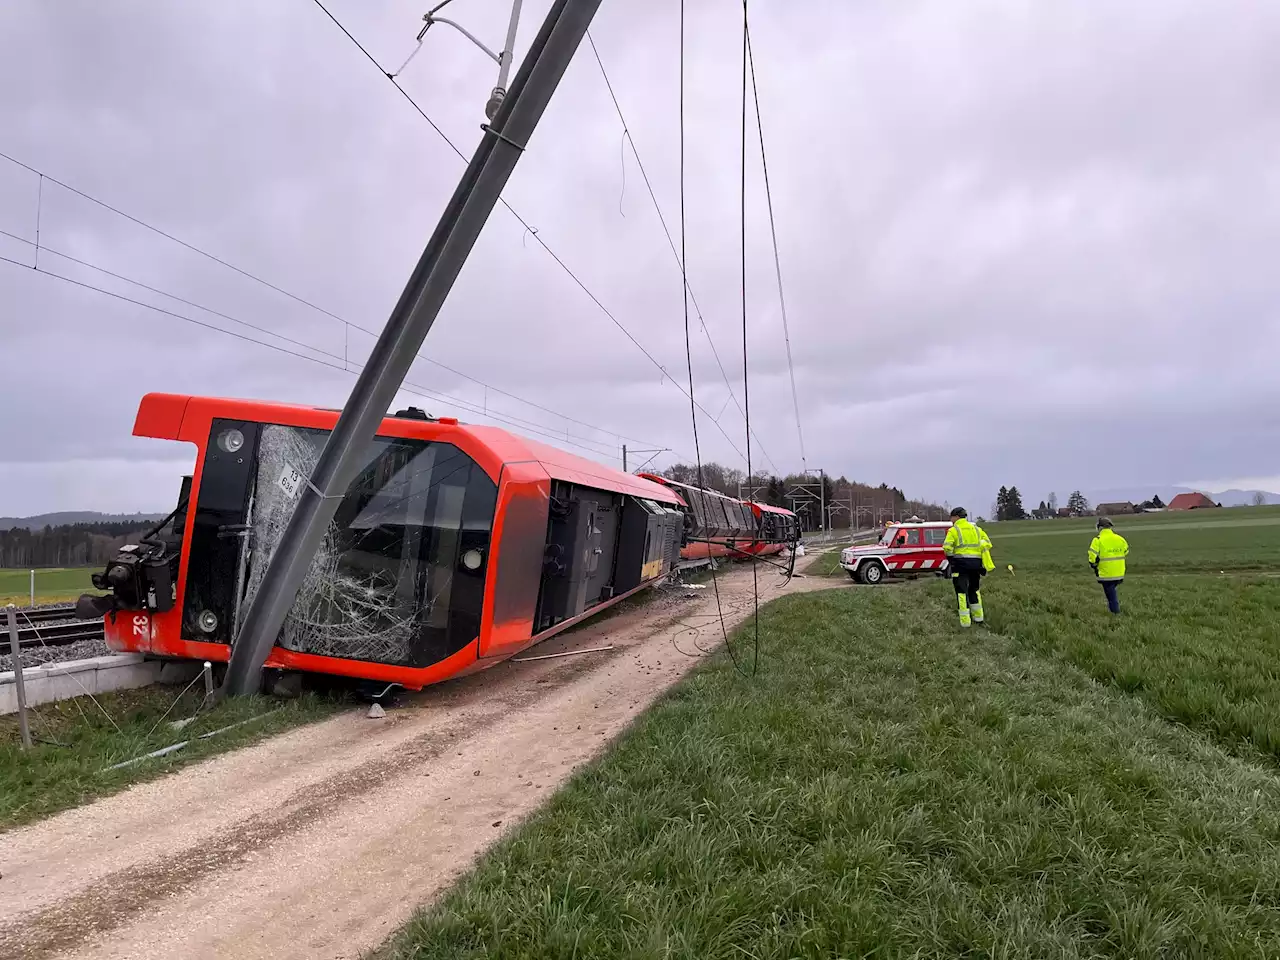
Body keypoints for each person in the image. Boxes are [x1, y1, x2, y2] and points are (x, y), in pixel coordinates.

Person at [942, 507, 989, 627]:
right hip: (976, 565)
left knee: (962, 592)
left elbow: (947, 547)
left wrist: (951, 559)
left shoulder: (954, 530)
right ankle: (978, 618)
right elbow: (987, 543)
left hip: (960, 566)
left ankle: (965, 622)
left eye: (951, 517)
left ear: (956, 517)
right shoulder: (976, 529)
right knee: (974, 590)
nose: (951, 520)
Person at [1089, 517, 1129, 614]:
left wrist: (1094, 565)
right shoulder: (1120, 539)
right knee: (1112, 592)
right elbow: (1126, 551)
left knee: (1111, 596)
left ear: (1100, 527)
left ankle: (1116, 614)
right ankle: (1115, 612)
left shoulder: (1097, 540)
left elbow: (1092, 557)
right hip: (1119, 572)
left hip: (1105, 573)